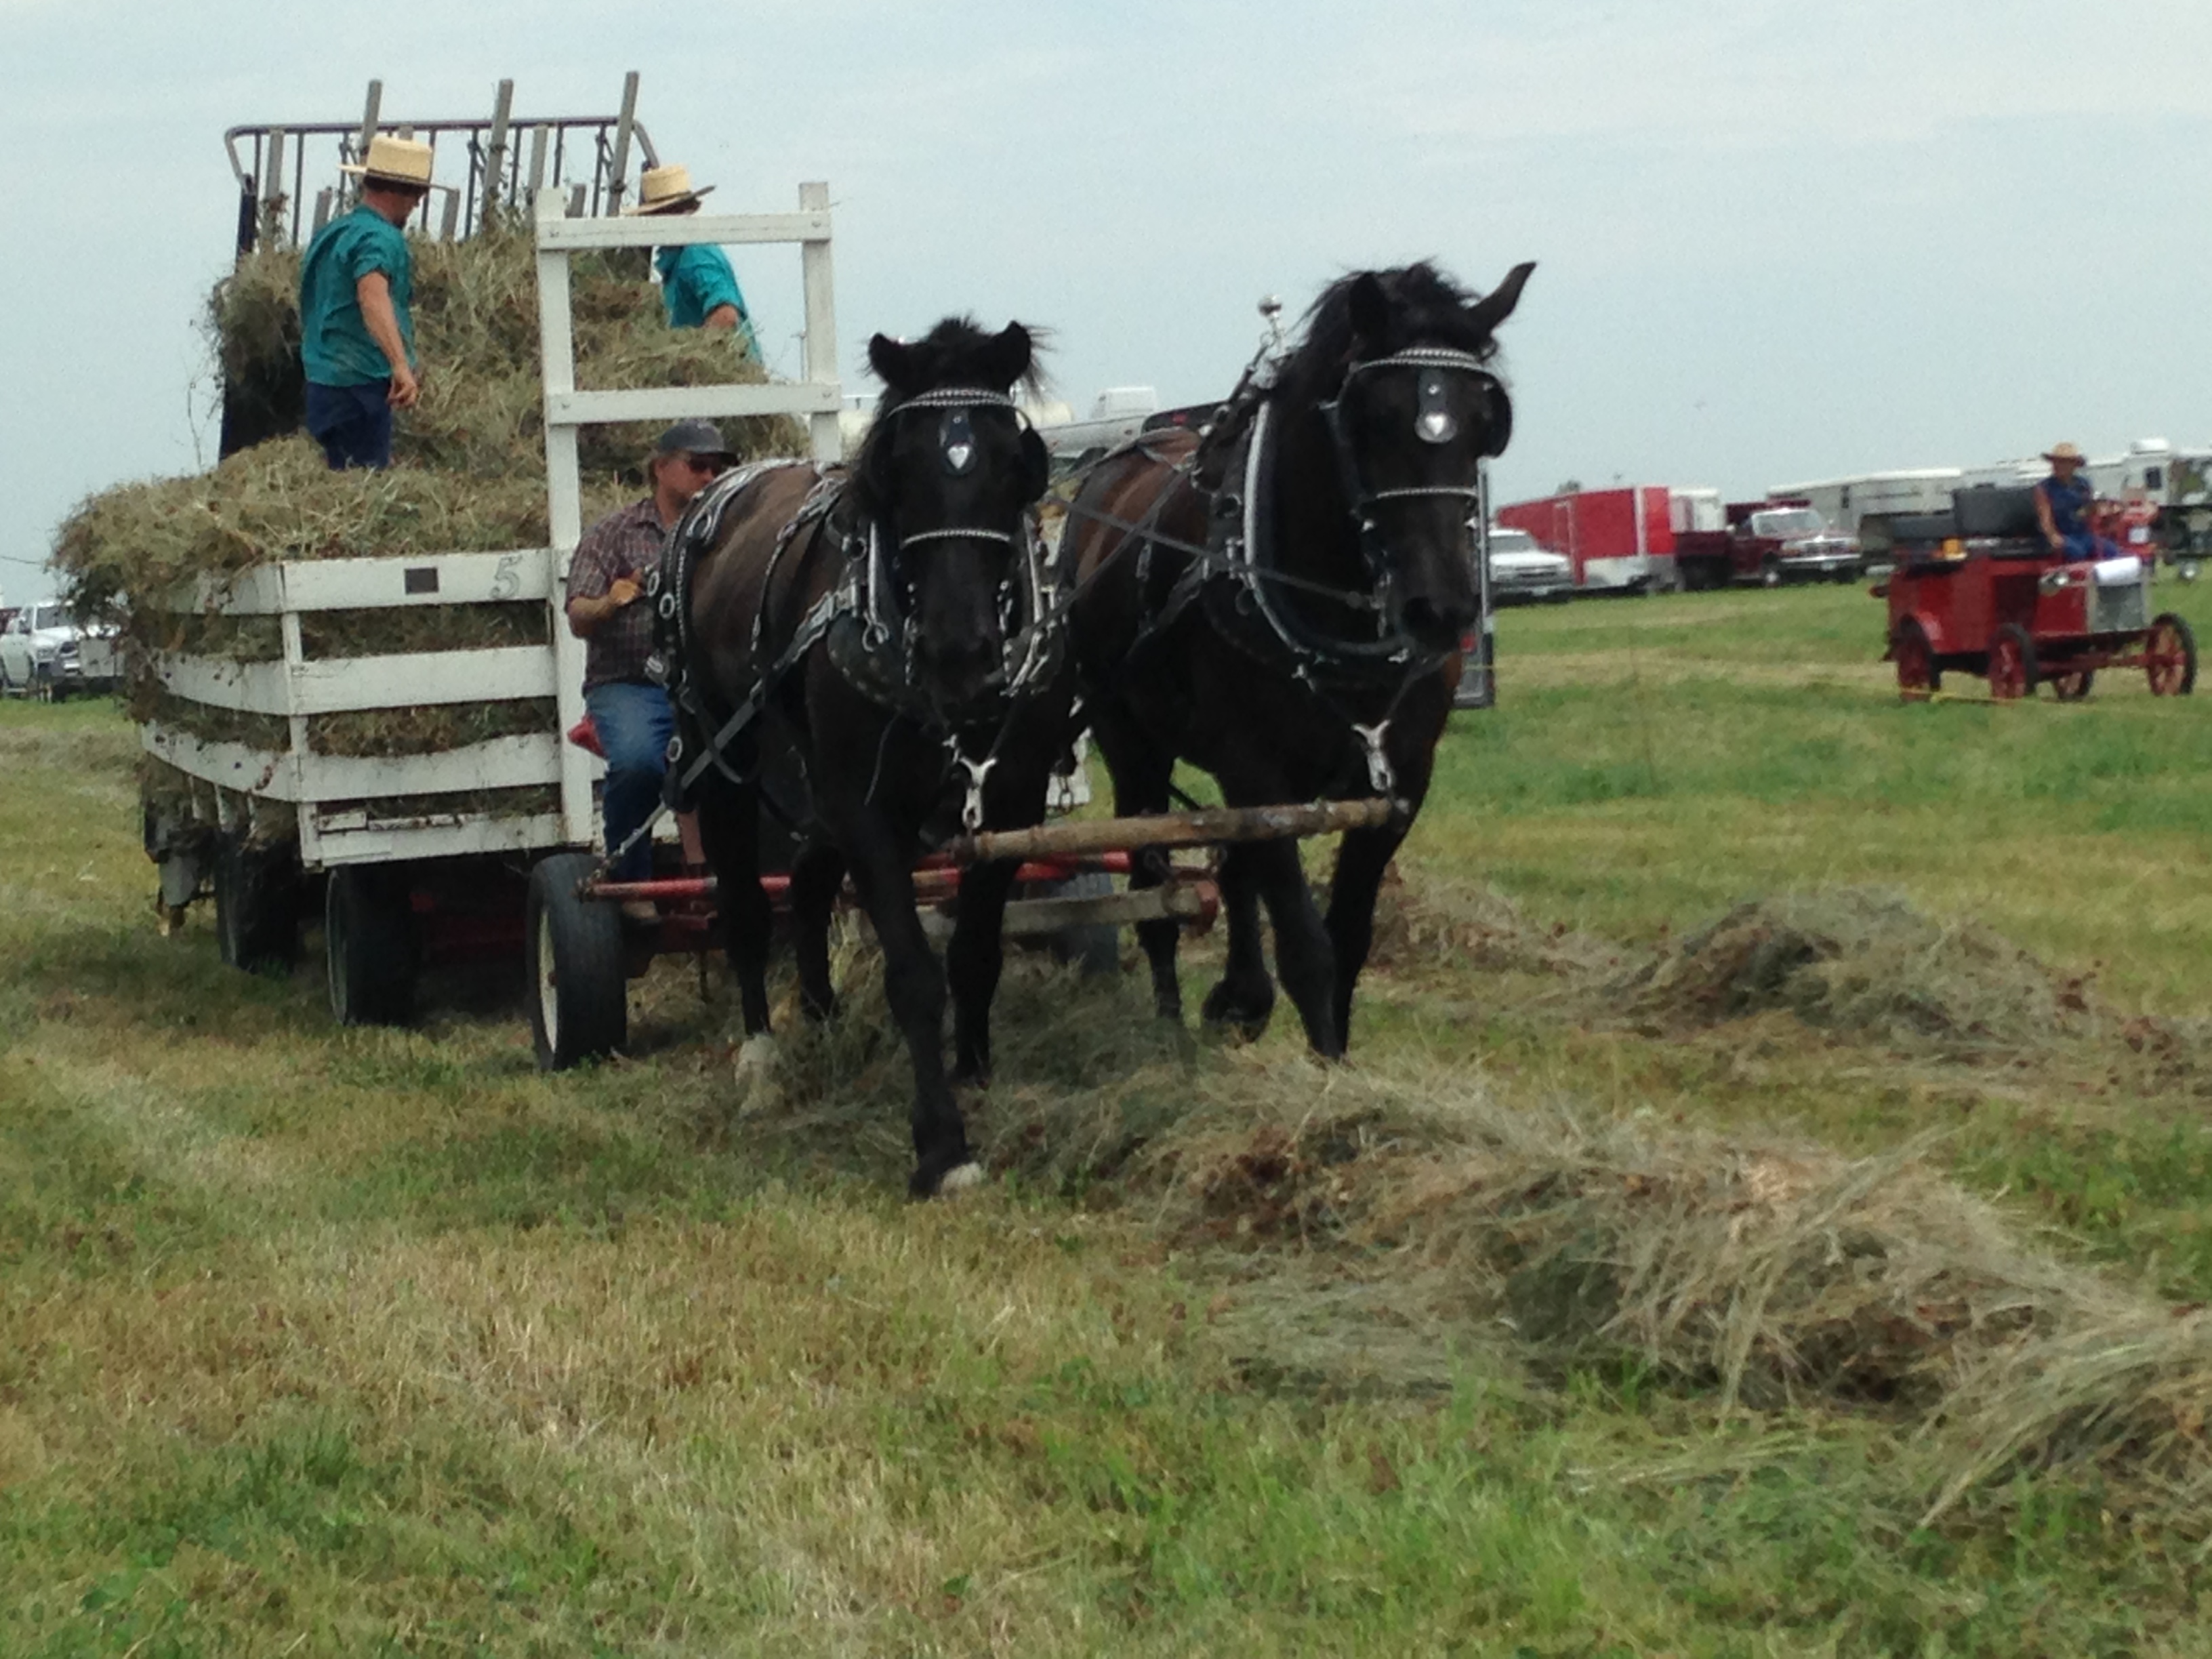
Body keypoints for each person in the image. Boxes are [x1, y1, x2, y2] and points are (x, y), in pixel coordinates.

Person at [565, 420, 737, 915]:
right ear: (661, 469)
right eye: (698, 465)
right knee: (640, 762)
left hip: (707, 683)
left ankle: (726, 873)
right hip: (631, 682)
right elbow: (578, 616)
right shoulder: (614, 533)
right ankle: (631, 882)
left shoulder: (728, 531)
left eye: (718, 467)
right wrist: (611, 602)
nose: (709, 476)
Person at [298, 134, 432, 469]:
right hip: (361, 388)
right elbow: (372, 294)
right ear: (396, 190)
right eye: (417, 193)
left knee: (336, 484)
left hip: (323, 382)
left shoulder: (334, 233)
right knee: (361, 493)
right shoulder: (380, 238)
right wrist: (400, 365)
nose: (417, 204)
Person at [626, 163, 764, 359]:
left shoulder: (697, 255)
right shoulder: (683, 257)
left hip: (723, 379)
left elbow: (725, 315)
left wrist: (692, 358)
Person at [2033, 442, 2117, 564]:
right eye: (2056, 462)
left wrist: (2097, 509)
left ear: (2073, 465)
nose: (2058, 466)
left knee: (2111, 550)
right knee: (2076, 552)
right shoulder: (2043, 488)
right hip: (2062, 534)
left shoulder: (2083, 484)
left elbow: (2088, 510)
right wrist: (2053, 536)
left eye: (2063, 462)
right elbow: (2045, 519)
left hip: (2082, 534)